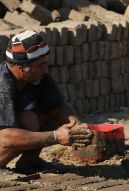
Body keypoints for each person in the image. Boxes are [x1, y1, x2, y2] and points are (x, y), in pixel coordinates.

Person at [0, 30, 92, 176]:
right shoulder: (2, 86)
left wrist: (79, 129)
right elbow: (6, 137)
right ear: (21, 67)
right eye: (40, 65)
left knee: (43, 116)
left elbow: (59, 109)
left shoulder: (39, 77)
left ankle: (29, 164)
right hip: (4, 137)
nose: (46, 70)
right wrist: (55, 137)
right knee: (27, 121)